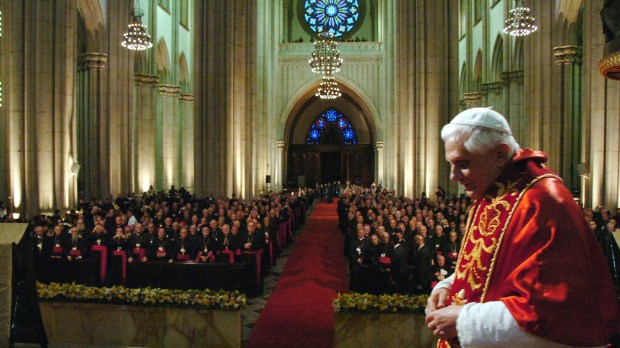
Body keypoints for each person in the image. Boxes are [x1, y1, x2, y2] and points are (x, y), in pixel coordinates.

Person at [425, 108, 617, 347]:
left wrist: (465, 319)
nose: (453, 176)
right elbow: (491, 266)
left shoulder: (543, 201)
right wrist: (448, 287)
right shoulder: (493, 191)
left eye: (462, 164)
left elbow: (551, 310)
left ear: (500, 154)